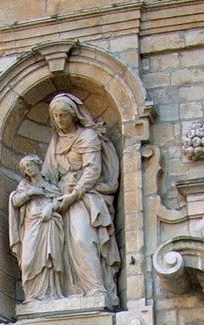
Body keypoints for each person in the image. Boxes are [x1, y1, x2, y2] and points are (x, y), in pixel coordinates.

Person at [40, 92, 120, 305]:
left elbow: (93, 171)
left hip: (84, 196)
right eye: (55, 116)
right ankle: (68, 292)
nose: (59, 120)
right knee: (58, 244)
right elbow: (48, 174)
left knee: (82, 238)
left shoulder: (87, 136)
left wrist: (74, 195)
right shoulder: (55, 142)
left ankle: (96, 288)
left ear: (73, 115)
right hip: (60, 198)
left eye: (63, 115)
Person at [8, 154, 66, 302]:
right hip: (31, 224)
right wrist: (30, 193)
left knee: (50, 259)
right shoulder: (24, 186)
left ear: (37, 165)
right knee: (28, 261)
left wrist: (51, 208)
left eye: (29, 165)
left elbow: (60, 201)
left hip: (49, 224)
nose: (27, 169)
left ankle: (51, 293)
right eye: (24, 168)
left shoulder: (51, 187)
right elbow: (15, 201)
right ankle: (32, 296)